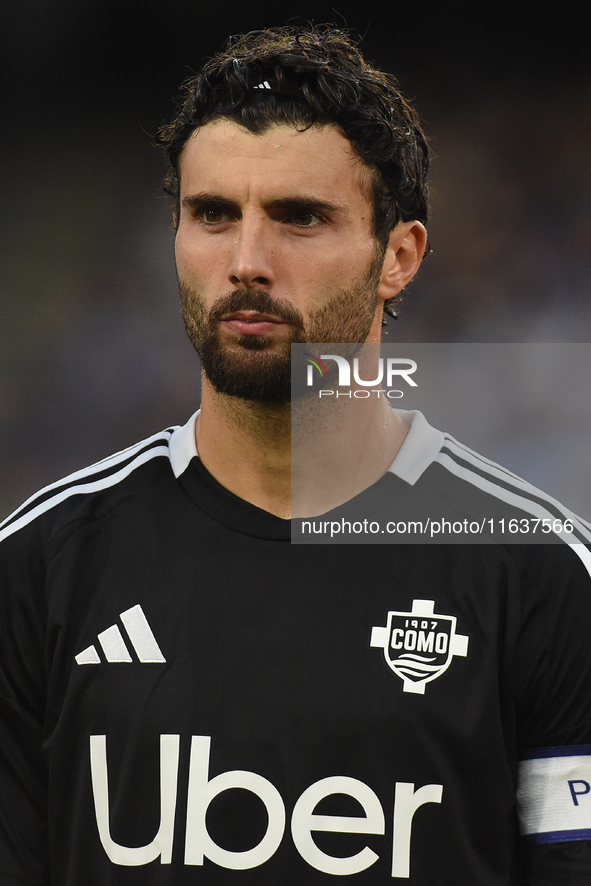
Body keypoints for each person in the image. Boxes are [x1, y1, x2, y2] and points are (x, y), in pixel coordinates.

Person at [1, 25, 591, 886]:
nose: (245, 262)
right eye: (212, 215)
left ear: (399, 257)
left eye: (298, 218)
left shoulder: (538, 576)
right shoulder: (41, 567)